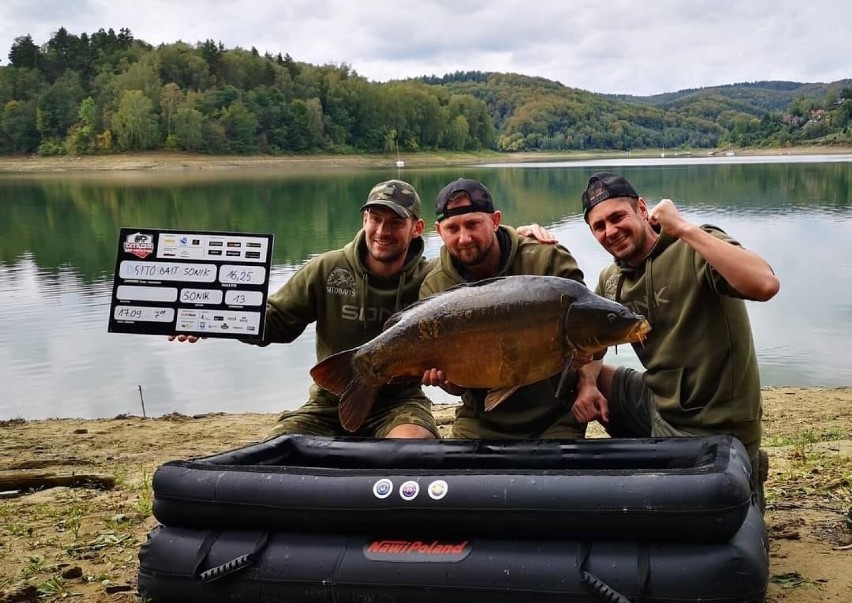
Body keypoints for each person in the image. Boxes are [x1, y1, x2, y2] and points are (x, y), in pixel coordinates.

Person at [171, 179, 555, 440]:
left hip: (400, 401)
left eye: (395, 222)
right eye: (375, 218)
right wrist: (211, 319)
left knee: (415, 452)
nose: (382, 231)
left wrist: (519, 237)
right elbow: (276, 323)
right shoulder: (327, 268)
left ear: (417, 228)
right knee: (279, 449)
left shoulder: (433, 279)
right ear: (364, 219)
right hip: (329, 397)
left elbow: (487, 291)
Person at [572, 171, 780, 504]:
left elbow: (765, 284)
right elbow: (591, 351)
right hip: (660, 407)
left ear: (642, 209)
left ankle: (741, 471)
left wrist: (682, 227)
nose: (610, 231)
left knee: (709, 531)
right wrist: (586, 384)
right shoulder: (612, 280)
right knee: (575, 377)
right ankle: (654, 459)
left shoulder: (696, 246)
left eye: (617, 217)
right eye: (599, 226)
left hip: (718, 425)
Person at [420, 178, 588, 440]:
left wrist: (589, 383)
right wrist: (446, 380)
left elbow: (593, 337)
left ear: (495, 220)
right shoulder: (435, 285)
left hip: (554, 415)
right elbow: (455, 390)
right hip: (481, 419)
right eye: (452, 228)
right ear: (438, 231)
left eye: (473, 224)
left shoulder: (548, 260)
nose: (464, 238)